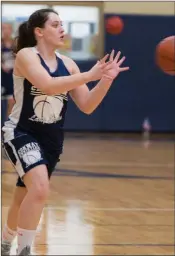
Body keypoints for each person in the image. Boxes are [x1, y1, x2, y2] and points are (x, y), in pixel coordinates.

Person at [1, 8, 129, 256]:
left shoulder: (68, 64)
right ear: (39, 31)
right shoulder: (27, 56)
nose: (62, 29)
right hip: (20, 133)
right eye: (55, 24)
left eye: (63, 24)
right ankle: (24, 250)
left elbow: (88, 105)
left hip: (51, 140)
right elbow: (47, 85)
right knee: (39, 189)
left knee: (25, 195)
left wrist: (105, 79)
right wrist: (90, 74)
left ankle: (5, 241)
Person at [1, 22, 15, 127]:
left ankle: (8, 125)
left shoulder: (15, 43)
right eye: (3, 29)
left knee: (11, 100)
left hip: (12, 74)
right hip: (2, 74)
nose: (6, 31)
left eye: (7, 28)